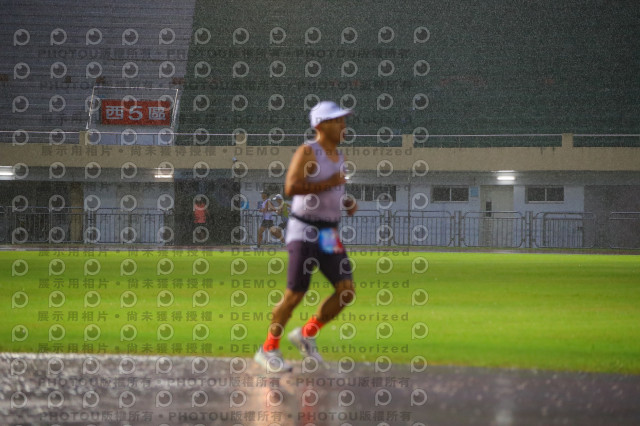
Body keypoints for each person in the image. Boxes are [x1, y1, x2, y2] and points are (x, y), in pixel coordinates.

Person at [254, 101, 359, 372]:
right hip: (304, 229)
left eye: (344, 120)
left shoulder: (339, 155)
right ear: (321, 125)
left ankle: (306, 333)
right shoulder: (308, 151)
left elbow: (331, 191)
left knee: (346, 291)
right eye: (338, 121)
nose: (344, 126)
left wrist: (345, 200)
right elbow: (291, 186)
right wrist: (331, 183)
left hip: (328, 232)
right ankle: (268, 348)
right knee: (295, 294)